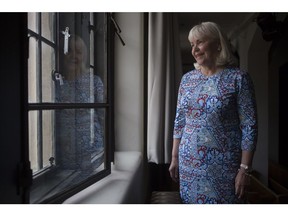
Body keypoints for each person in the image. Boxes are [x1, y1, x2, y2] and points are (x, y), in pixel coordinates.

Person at [169, 22, 258, 204]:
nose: (194, 49)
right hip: (189, 166)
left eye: (199, 42)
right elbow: (179, 121)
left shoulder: (238, 79)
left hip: (225, 168)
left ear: (218, 44)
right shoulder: (187, 80)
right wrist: (174, 157)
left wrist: (244, 168)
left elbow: (249, 125)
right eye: (192, 44)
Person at [55, 34, 104, 174]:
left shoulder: (94, 82)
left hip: (92, 153)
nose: (73, 55)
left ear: (84, 56)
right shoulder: (57, 83)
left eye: (78, 52)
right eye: (69, 51)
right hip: (63, 155)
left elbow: (103, 115)